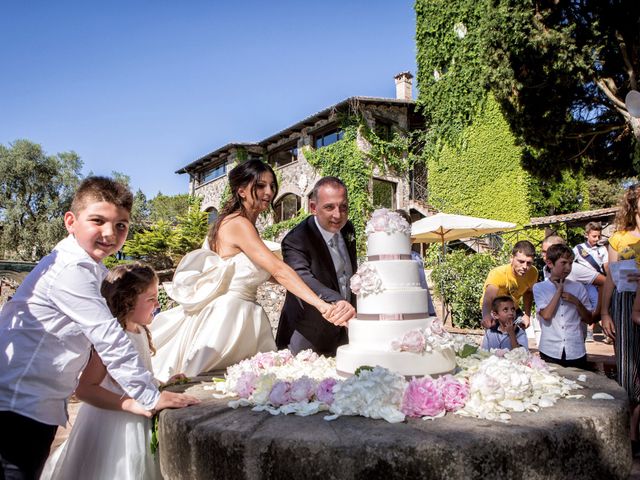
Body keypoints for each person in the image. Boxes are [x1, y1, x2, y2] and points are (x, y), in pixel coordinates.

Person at [0, 177, 198, 480]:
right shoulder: (71, 270)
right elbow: (108, 336)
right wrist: (149, 396)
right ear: (70, 221)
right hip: (17, 407)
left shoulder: (93, 270)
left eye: (121, 225)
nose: (110, 233)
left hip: (38, 405)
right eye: (98, 220)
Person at [151, 161, 349, 381]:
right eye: (261, 185)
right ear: (241, 190)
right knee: (212, 384)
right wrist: (322, 305)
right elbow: (279, 270)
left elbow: (279, 276)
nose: (269, 192)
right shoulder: (237, 224)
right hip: (229, 319)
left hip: (246, 315)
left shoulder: (243, 224)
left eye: (272, 186)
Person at [42, 263, 187, 480]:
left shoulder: (139, 330)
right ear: (127, 302)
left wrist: (161, 383)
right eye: (151, 299)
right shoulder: (113, 339)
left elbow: (132, 375)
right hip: (112, 424)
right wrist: (131, 404)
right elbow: (85, 390)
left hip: (138, 417)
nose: (158, 304)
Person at [275, 177, 357, 356]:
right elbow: (301, 278)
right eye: (329, 207)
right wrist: (338, 301)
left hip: (345, 337)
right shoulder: (296, 239)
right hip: (307, 336)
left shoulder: (348, 229)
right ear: (313, 208)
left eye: (343, 207)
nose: (338, 215)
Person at [600, 184, 640, 453]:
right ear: (634, 204)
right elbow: (611, 278)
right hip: (625, 305)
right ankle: (631, 435)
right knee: (627, 367)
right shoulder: (619, 238)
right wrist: (604, 312)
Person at [534, 243, 593, 369]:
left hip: (575, 350)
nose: (568, 267)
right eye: (564, 263)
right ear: (550, 263)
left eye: (571, 263)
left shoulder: (578, 288)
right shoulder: (539, 287)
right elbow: (546, 315)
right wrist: (558, 292)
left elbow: (589, 319)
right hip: (550, 349)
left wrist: (576, 301)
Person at [541, 234, 606, 342]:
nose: (545, 255)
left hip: (575, 333)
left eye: (549, 251)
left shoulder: (574, 269)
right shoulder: (546, 268)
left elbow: (604, 282)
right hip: (554, 335)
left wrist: (600, 312)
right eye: (543, 251)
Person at [480, 240, 538, 330]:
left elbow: (528, 292)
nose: (525, 267)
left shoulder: (533, 273)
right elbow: (489, 298)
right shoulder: (498, 274)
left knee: (519, 336)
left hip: (513, 309)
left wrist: (527, 315)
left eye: (529, 263)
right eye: (521, 261)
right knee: (499, 339)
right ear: (511, 258)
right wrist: (487, 316)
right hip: (494, 309)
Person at [395, 209, 437, 317]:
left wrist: (431, 313)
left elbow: (423, 287)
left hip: (416, 311)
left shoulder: (416, 258)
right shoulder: (385, 259)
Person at [573, 222, 609, 342]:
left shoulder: (602, 249)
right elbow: (569, 263)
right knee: (593, 304)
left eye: (598, 236)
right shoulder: (578, 249)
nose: (597, 239)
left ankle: (604, 330)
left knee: (601, 304)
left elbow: (606, 267)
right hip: (584, 283)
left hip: (599, 281)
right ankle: (591, 330)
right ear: (586, 235)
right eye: (594, 236)